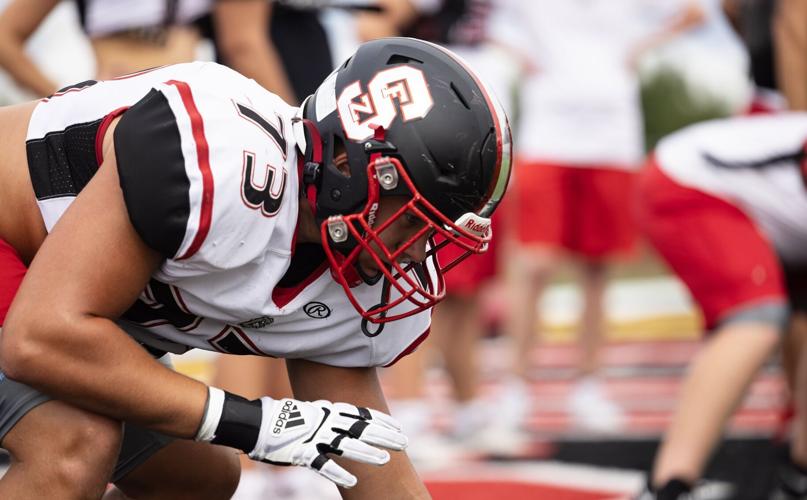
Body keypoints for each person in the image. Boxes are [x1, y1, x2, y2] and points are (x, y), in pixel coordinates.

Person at [0, 36, 512, 499]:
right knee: (73, 441)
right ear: (349, 167)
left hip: (57, 301)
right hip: (20, 263)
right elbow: (40, 338)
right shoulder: (224, 157)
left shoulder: (349, 272)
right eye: (414, 221)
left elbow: (370, 461)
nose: (415, 254)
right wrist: (253, 422)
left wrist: (247, 425)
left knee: (199, 479)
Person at [487, 0, 705, 433]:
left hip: (612, 133)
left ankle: (589, 386)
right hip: (549, 130)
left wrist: (636, 49)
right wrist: (518, 54)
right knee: (533, 264)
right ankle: (516, 386)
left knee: (598, 270)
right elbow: (478, 18)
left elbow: (694, 12)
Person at [633, 112, 807, 499]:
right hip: (689, 182)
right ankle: (666, 487)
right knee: (757, 318)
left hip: (747, 198)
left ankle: (799, 474)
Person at [0, 0, 212, 97]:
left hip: (187, 107)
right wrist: (64, 99)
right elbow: (4, 37)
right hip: (119, 112)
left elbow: (233, 46)